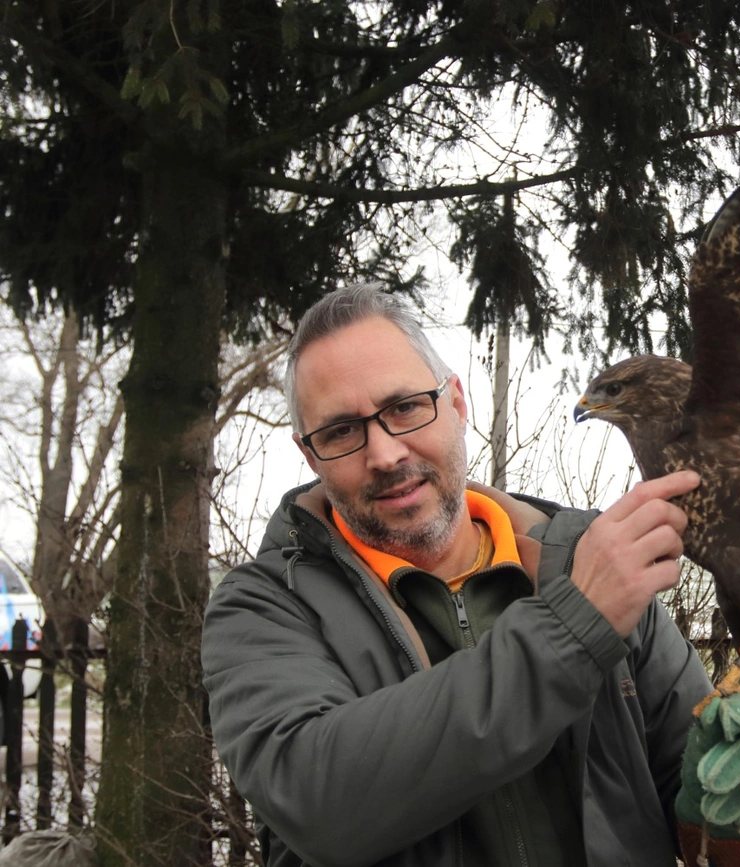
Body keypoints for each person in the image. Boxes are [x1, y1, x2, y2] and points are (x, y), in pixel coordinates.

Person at [201, 283, 714, 867]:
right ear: (309, 454)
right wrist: (575, 628)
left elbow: (690, 786)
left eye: (404, 407)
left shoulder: (587, 558)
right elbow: (320, 802)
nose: (386, 453)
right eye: (341, 431)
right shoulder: (263, 606)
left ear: (457, 403)